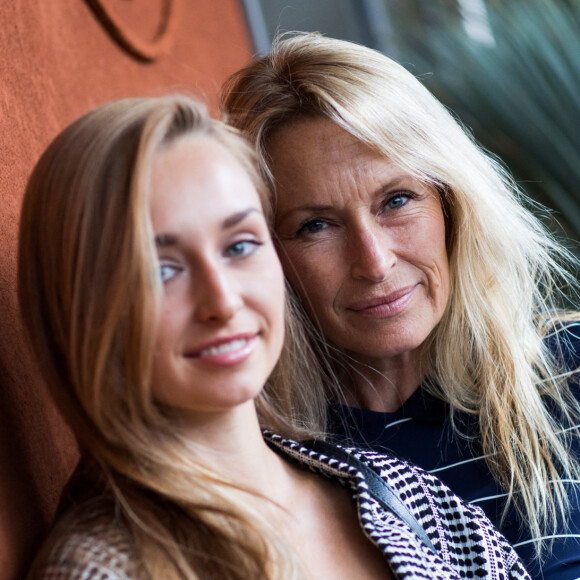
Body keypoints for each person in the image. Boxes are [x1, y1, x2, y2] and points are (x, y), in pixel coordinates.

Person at [18, 94, 529, 579]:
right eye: (160, 270)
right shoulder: (98, 569)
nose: (222, 301)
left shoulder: (396, 490)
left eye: (239, 246)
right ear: (81, 308)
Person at [220, 33, 580, 579]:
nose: (374, 261)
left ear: (451, 204)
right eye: (315, 225)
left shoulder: (568, 373)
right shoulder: (265, 460)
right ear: (267, 252)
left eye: (397, 200)